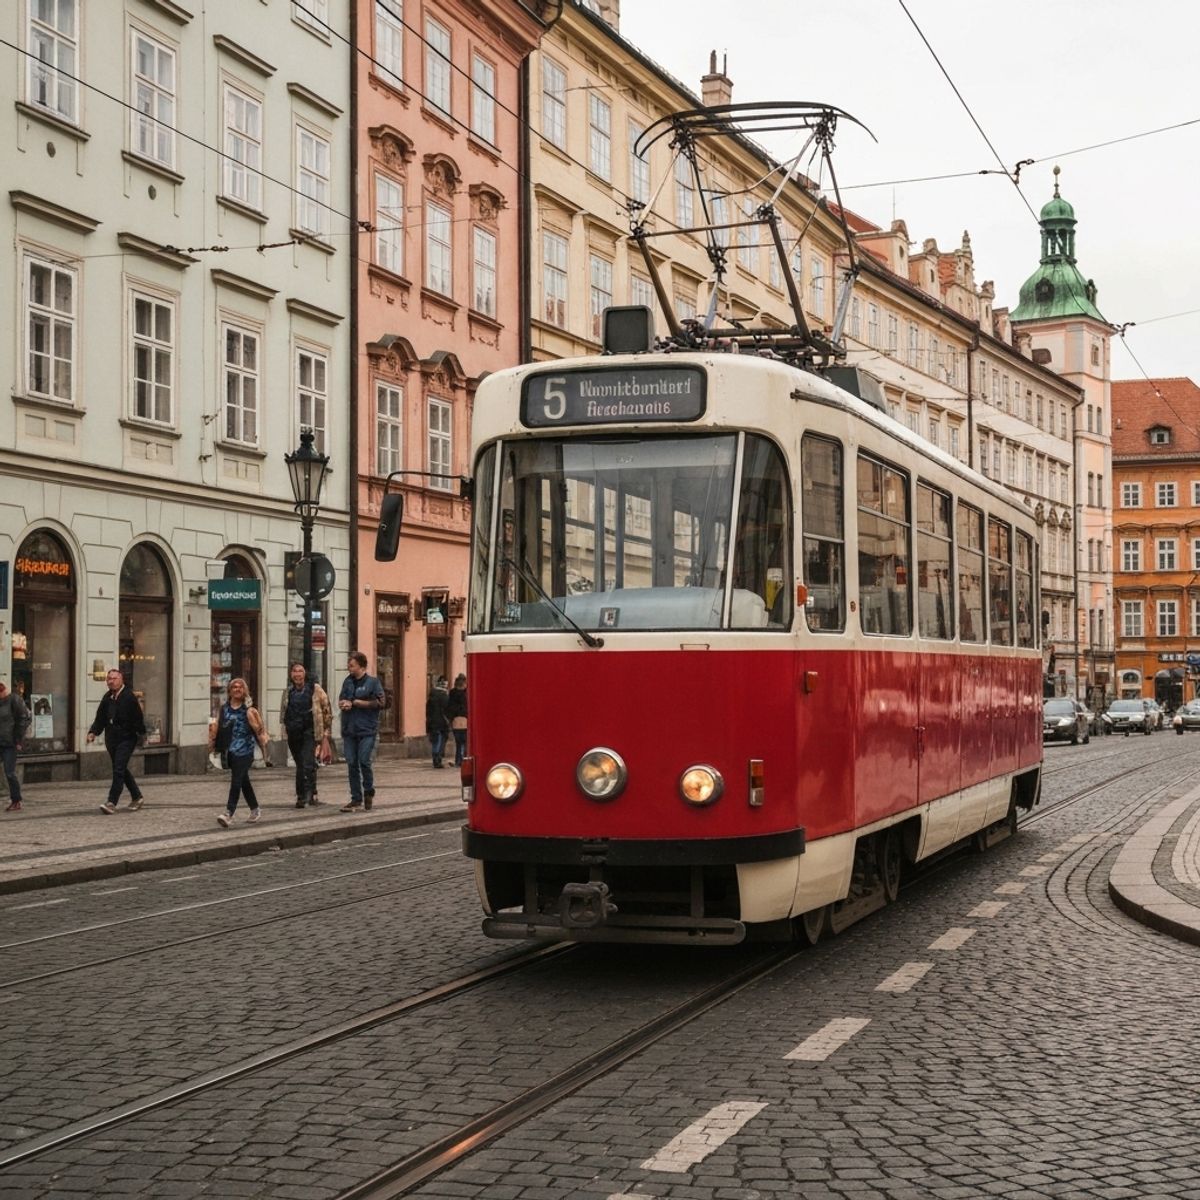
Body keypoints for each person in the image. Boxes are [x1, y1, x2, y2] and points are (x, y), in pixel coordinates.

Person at [209, 677, 269, 827]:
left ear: (244, 691)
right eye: (234, 687)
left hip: (246, 750)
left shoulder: (249, 710)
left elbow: (260, 730)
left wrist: (264, 748)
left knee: (236, 780)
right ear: (229, 691)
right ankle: (255, 809)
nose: (237, 689)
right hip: (230, 751)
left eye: (240, 687)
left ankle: (228, 813)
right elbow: (218, 728)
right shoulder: (224, 709)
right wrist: (213, 746)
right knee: (243, 781)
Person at [87, 668, 147, 814]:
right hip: (112, 740)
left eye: (114, 678)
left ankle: (111, 802)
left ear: (121, 680)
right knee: (120, 769)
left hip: (126, 739)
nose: (111, 681)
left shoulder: (129, 697)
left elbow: (138, 718)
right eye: (109, 679)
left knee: (119, 769)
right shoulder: (107, 698)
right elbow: (100, 717)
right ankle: (137, 796)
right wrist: (93, 732)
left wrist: (141, 735)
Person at [278, 662, 332, 809]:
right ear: (291, 675)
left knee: (307, 762)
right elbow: (284, 712)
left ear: (305, 674)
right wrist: (284, 729)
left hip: (310, 730)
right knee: (301, 764)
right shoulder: (288, 691)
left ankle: (305, 795)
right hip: (294, 732)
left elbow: (326, 709)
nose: (297, 674)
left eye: (300, 671)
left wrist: (326, 731)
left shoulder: (315, 689)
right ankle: (308, 794)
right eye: (294, 671)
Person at [338, 651, 385, 812]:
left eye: (352, 665)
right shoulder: (347, 682)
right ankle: (356, 798)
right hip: (350, 729)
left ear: (361, 666)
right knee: (351, 763)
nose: (349, 668)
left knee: (364, 760)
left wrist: (358, 703)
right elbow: (342, 698)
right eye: (348, 665)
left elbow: (381, 702)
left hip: (367, 729)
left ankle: (368, 791)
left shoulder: (372, 682)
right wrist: (343, 704)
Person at [0, 680, 30, 813]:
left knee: (10, 772)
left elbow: (22, 720)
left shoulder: (14, 700)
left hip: (10, 743)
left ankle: (16, 800)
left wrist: (18, 740)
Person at [426, 676, 450, 768]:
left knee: (436, 741)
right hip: (442, 722)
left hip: (432, 722)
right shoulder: (445, 696)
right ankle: (438, 759)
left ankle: (435, 758)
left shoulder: (431, 697)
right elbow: (447, 710)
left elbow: (428, 711)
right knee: (441, 741)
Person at [445, 673, 468, 768]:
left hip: (455, 720)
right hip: (466, 719)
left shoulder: (452, 693)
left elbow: (449, 707)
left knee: (458, 743)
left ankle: (458, 761)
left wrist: (450, 718)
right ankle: (465, 760)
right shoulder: (467, 692)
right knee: (466, 742)